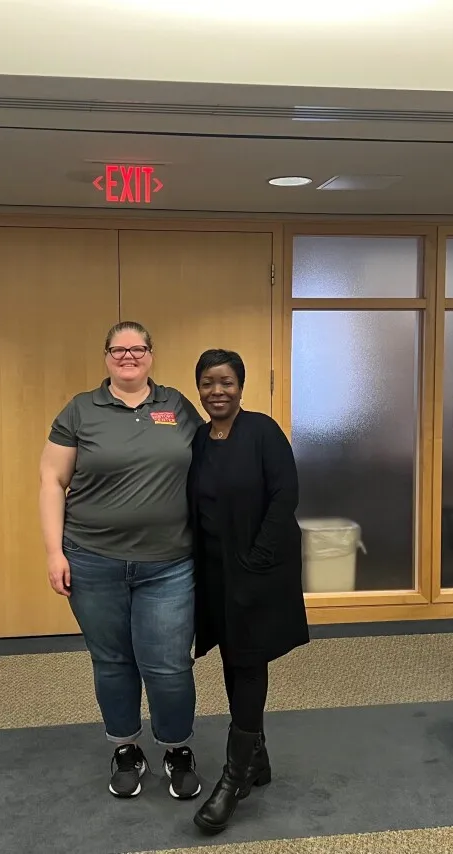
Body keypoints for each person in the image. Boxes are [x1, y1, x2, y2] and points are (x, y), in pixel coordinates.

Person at [39, 321, 204, 801]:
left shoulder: (176, 406)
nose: (127, 356)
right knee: (112, 661)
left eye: (137, 349)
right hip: (92, 560)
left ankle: (176, 748)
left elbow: (216, 455)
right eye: (118, 349)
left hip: (170, 563)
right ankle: (126, 748)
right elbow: (52, 480)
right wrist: (54, 551)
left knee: (170, 665)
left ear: (151, 354)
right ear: (106, 356)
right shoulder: (80, 410)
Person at [187, 348, 309, 835]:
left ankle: (233, 779)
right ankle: (256, 757)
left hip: (256, 568)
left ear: (242, 385)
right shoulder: (199, 438)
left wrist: (257, 560)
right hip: (214, 571)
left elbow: (286, 496)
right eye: (208, 383)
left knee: (249, 659)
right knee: (231, 658)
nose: (217, 392)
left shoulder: (263, 432)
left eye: (227, 382)